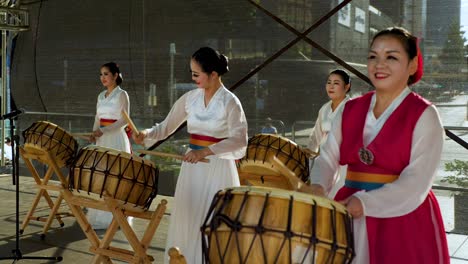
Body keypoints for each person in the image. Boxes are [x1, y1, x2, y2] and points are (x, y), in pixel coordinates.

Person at [307, 27, 449, 263]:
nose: (379, 64)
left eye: (391, 57)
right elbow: (328, 157)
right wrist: (319, 186)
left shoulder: (424, 115)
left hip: (403, 215)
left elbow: (417, 181)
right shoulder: (349, 109)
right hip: (347, 207)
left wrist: (364, 203)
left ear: (412, 65)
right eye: (373, 56)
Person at [134, 47, 248, 263]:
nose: (192, 78)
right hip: (192, 167)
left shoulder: (230, 101)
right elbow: (166, 127)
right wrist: (146, 135)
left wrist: (206, 151)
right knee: (189, 215)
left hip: (217, 167)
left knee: (211, 220)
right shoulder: (190, 98)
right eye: (191, 73)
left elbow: (240, 140)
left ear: (213, 74)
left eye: (196, 74)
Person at [88, 62, 131, 230]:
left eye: (106, 74)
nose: (103, 77)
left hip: (115, 139)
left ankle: (116, 217)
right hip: (102, 139)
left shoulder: (122, 94)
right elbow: (97, 117)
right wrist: (94, 132)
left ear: (115, 75)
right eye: (101, 74)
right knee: (100, 176)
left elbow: (124, 120)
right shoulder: (100, 96)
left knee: (115, 177)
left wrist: (104, 130)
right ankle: (100, 216)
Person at [307, 69, 351, 198]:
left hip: (344, 161)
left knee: (339, 194)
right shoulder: (324, 109)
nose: (331, 86)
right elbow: (316, 135)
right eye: (329, 82)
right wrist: (309, 152)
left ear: (347, 86)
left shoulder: (352, 107)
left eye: (336, 83)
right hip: (324, 159)